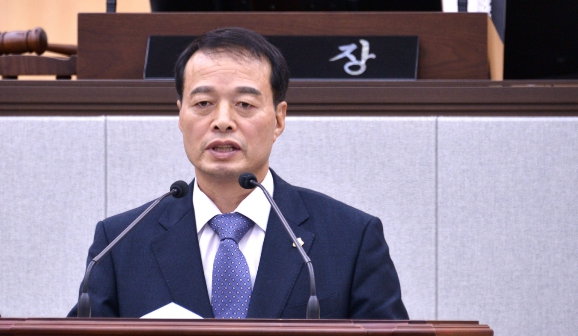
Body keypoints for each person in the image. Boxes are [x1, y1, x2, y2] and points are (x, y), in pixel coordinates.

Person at [69, 27, 407, 320]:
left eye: (244, 104)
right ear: (180, 115)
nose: (222, 121)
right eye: (203, 104)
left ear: (279, 119)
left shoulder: (350, 238)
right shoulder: (119, 244)